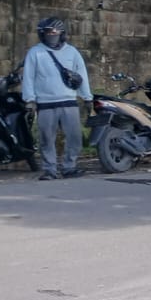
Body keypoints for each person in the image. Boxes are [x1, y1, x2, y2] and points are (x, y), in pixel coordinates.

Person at [22, 17, 91, 182]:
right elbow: (28, 77)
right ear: (42, 34)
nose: (52, 34)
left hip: (69, 102)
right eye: (48, 31)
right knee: (46, 139)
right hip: (45, 103)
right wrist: (30, 100)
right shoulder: (35, 52)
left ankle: (69, 167)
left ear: (62, 33)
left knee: (74, 137)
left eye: (56, 31)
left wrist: (87, 97)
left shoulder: (72, 52)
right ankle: (49, 170)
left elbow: (82, 75)